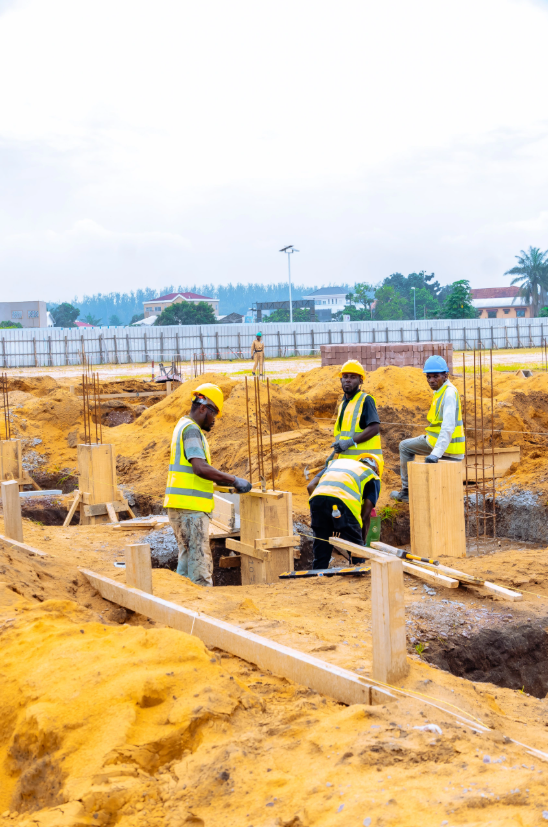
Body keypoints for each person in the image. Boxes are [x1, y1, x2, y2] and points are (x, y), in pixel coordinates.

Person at [164, 383, 252, 586]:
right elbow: (200, 468)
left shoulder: (182, 426)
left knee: (187, 565)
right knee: (200, 568)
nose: (214, 421)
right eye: (213, 414)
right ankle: (203, 612)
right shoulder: (192, 431)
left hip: (181, 507)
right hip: (191, 510)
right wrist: (234, 480)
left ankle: (180, 607)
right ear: (203, 408)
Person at [390, 355, 465, 503]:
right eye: (428, 377)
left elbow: (448, 427)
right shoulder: (441, 391)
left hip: (444, 448)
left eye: (435, 376)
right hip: (449, 447)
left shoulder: (448, 393)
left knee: (404, 446)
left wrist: (436, 454)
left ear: (445, 375)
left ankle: (406, 491)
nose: (431, 380)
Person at [307, 453, 381, 569]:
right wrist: (362, 542)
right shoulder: (372, 476)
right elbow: (366, 515)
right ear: (377, 470)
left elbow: (310, 486)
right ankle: (358, 572)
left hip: (317, 500)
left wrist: (324, 509)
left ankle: (318, 577)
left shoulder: (335, 463)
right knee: (356, 550)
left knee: (321, 543)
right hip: (344, 503)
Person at [331, 360, 383, 467]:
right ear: (341, 380)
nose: (348, 380)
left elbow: (374, 428)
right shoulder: (342, 405)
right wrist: (339, 444)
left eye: (353, 377)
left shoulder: (366, 400)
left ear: (360, 381)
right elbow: (344, 434)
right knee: (313, 483)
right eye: (345, 377)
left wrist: (349, 442)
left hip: (365, 462)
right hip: (346, 461)